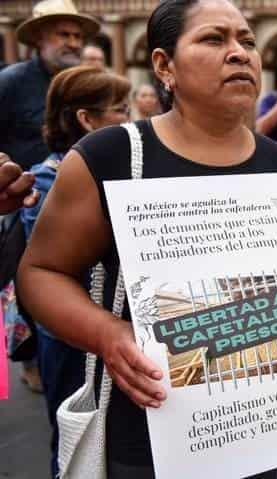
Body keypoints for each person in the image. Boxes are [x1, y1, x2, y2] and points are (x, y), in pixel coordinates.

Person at [16, 1, 277, 478]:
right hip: (150, 431)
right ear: (164, 66)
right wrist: (108, 334)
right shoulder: (112, 156)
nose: (239, 53)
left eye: (246, 41)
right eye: (213, 39)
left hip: (267, 427)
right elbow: (40, 272)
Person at [20, 65, 131, 478]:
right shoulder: (48, 179)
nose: (129, 118)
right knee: (77, 437)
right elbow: (55, 266)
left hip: (105, 332)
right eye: (120, 108)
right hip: (70, 336)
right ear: (87, 119)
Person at [0, 0, 99, 170]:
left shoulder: (86, 84)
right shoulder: (11, 81)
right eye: (64, 35)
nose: (74, 44)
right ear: (39, 38)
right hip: (27, 191)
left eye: (78, 36)